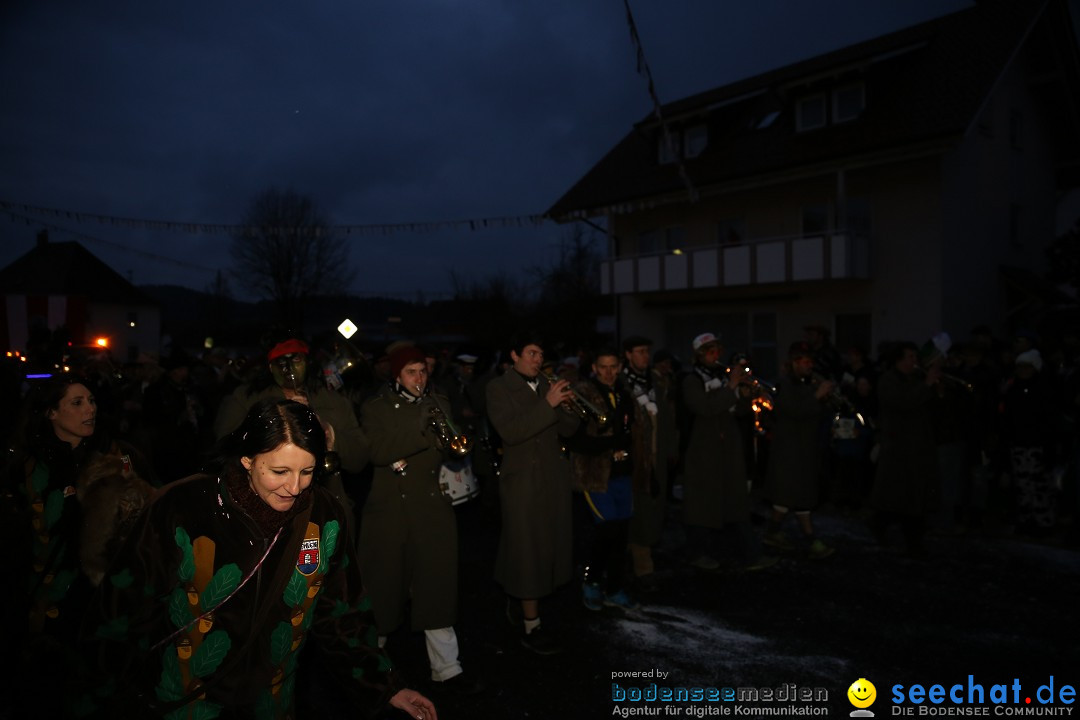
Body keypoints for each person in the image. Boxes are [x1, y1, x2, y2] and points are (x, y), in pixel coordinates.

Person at [80, 398, 437, 720]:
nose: (295, 487)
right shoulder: (183, 507)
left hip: (273, 704)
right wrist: (99, 699)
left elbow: (341, 614)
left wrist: (385, 686)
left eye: (308, 472)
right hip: (185, 702)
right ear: (248, 459)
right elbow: (123, 612)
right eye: (279, 471)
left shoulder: (324, 516)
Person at [4, 375, 153, 717]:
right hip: (46, 599)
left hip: (105, 598)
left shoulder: (117, 459)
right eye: (77, 403)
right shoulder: (27, 469)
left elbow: (152, 514)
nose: (90, 409)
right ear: (51, 413)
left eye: (92, 401)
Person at [359, 345, 484, 695]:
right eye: (411, 371)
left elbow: (451, 444)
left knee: (437, 585)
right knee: (384, 585)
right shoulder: (376, 407)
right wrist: (421, 428)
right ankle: (372, 664)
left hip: (431, 505)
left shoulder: (438, 402)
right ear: (397, 374)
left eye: (423, 371)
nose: (419, 378)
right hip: (389, 510)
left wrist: (447, 430)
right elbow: (377, 451)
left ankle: (447, 668)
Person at [485, 333, 580, 655]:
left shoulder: (545, 385)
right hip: (522, 480)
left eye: (541, 354)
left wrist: (567, 406)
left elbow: (569, 429)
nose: (538, 359)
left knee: (547, 544)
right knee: (527, 549)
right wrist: (548, 404)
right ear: (514, 355)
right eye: (531, 353)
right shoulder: (498, 388)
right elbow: (511, 432)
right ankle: (531, 624)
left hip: (552, 478)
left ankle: (519, 598)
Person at [214, 332, 369, 509]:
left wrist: (330, 433)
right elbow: (223, 449)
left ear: (307, 362)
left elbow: (360, 459)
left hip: (324, 507)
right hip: (263, 506)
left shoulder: (334, 401)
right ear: (271, 367)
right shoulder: (245, 398)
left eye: (295, 360)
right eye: (281, 363)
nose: (288, 369)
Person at [680, 333, 776, 571]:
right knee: (703, 504)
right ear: (700, 355)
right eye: (710, 352)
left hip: (729, 446)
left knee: (736, 500)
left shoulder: (722, 377)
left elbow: (739, 412)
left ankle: (750, 554)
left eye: (717, 351)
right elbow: (705, 408)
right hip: (703, 448)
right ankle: (698, 552)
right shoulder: (691, 380)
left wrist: (748, 394)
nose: (715, 356)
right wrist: (732, 385)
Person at [566, 347, 639, 611]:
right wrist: (610, 443)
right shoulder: (583, 393)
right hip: (595, 475)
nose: (608, 372)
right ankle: (592, 583)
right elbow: (575, 439)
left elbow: (632, 432)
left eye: (613, 366)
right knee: (605, 531)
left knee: (621, 534)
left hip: (622, 473)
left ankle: (615, 587)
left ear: (619, 366)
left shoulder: (624, 392)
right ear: (594, 367)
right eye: (603, 367)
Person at [762, 342, 837, 559]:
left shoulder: (809, 384)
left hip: (805, 448)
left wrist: (826, 400)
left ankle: (774, 532)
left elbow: (815, 414)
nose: (809, 366)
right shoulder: (784, 385)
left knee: (795, 495)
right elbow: (793, 411)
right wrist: (817, 396)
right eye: (805, 362)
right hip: (789, 450)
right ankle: (810, 539)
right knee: (792, 494)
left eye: (810, 362)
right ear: (794, 363)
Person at [869, 341, 941, 557]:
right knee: (903, 498)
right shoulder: (889, 381)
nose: (914, 361)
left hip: (917, 447)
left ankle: (892, 529)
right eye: (910, 357)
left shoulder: (914, 378)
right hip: (898, 448)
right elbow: (903, 402)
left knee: (908, 498)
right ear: (898, 360)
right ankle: (907, 539)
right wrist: (927, 386)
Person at [620, 336, 676, 592]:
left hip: (656, 454)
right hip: (633, 456)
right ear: (628, 355)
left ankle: (640, 548)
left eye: (646, 352)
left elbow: (667, 418)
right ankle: (641, 560)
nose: (644, 356)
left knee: (654, 503)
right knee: (638, 505)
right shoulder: (621, 384)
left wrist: (669, 449)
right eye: (639, 352)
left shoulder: (655, 382)